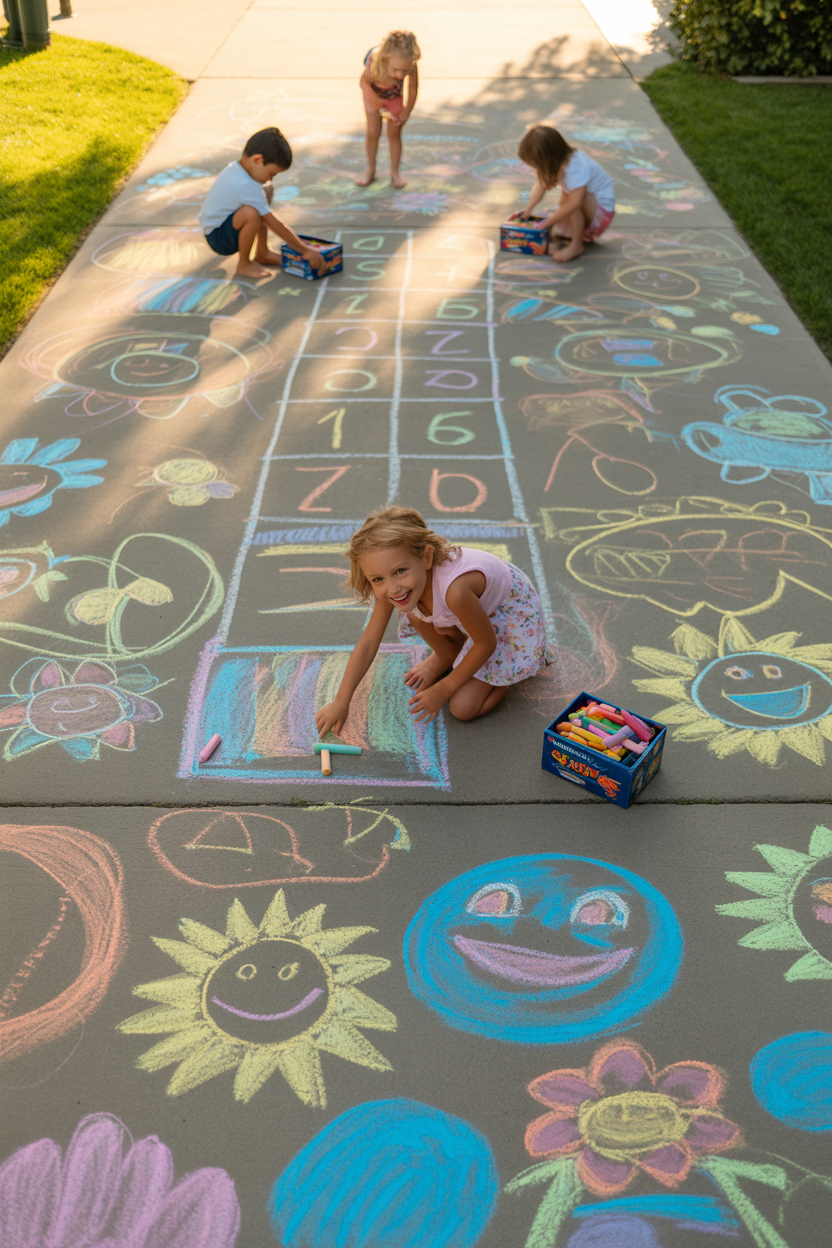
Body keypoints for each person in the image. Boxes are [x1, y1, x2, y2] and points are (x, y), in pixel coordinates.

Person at [314, 507, 551, 733]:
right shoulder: (394, 586)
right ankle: (446, 654)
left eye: (400, 571)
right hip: (472, 615)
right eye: (377, 579)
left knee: (463, 708)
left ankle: (513, 669)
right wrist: (340, 701)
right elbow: (368, 644)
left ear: (426, 557)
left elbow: (485, 643)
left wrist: (443, 689)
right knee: (412, 610)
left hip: (507, 618)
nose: (392, 587)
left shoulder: (455, 592)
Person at [198, 126, 324, 279]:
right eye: (272, 173)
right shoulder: (246, 185)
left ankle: (262, 253)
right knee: (251, 213)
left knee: (265, 192)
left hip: (222, 227)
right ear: (257, 159)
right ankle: (244, 264)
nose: (270, 178)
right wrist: (304, 250)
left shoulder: (238, 169)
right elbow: (273, 222)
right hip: (218, 239)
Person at [516, 124, 616, 263]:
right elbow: (540, 186)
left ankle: (576, 246)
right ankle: (569, 233)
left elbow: (575, 203)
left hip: (601, 213)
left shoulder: (575, 167)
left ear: (549, 157)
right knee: (566, 200)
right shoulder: (557, 162)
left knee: (571, 201)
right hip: (588, 207)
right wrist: (527, 211)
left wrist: (549, 222)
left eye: (538, 164)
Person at [357, 31, 420, 189]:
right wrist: (374, 101)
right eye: (396, 70)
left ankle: (395, 172)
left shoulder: (409, 63)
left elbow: (413, 87)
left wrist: (406, 111)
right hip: (372, 96)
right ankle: (371, 168)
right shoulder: (375, 59)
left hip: (394, 99)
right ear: (386, 59)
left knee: (394, 134)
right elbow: (364, 82)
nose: (400, 75)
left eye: (405, 71)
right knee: (373, 133)